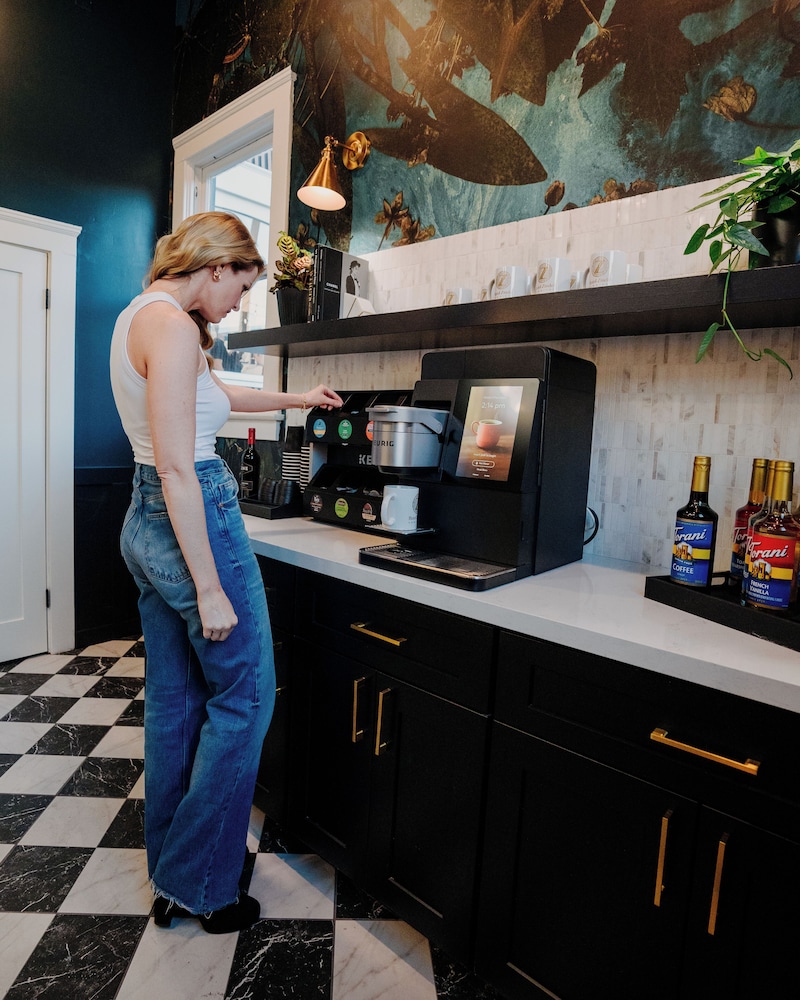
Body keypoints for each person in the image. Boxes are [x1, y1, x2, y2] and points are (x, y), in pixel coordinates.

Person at [110, 211, 342, 934]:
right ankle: (205, 884)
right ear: (216, 267)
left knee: (176, 703)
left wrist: (298, 400)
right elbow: (179, 466)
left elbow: (220, 398)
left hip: (145, 524)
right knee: (246, 698)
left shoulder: (143, 317)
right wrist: (210, 587)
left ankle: (174, 872)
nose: (239, 303)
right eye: (241, 286)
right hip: (191, 517)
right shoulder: (175, 328)